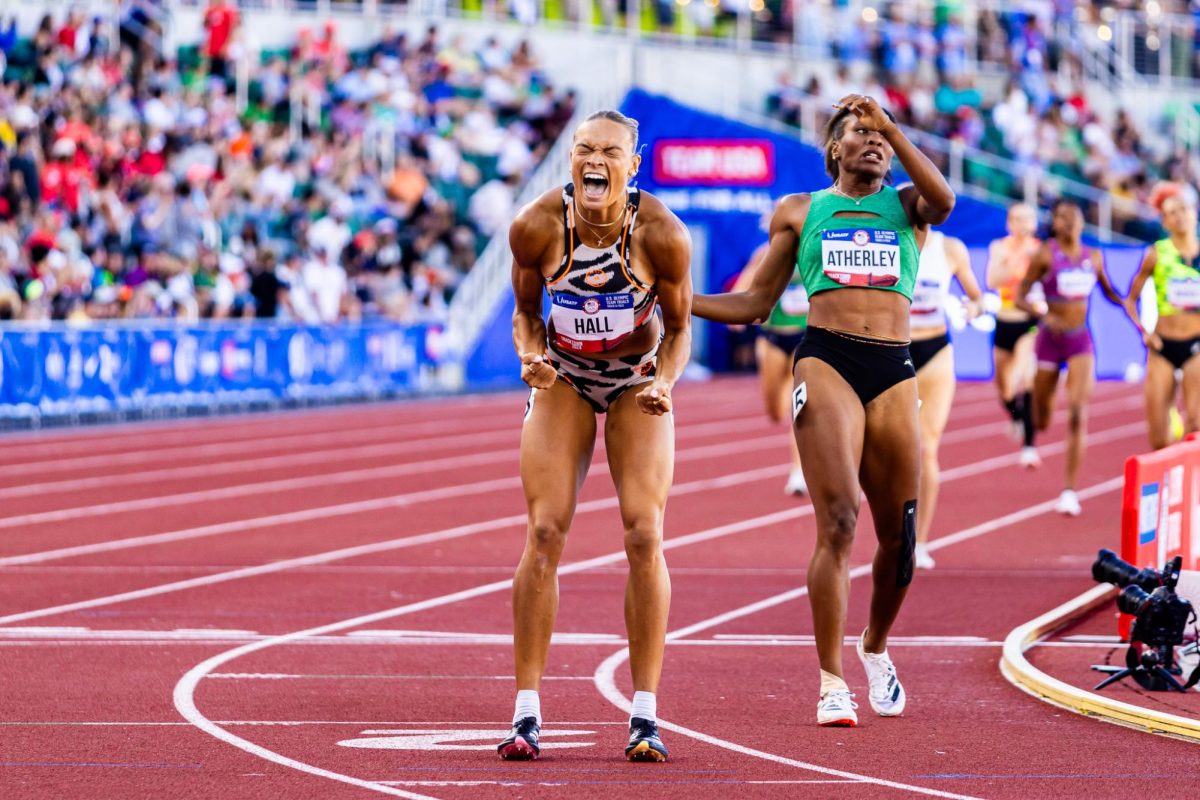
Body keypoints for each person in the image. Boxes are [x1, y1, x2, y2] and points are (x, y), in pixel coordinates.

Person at [693, 95, 955, 727]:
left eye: (884, 139)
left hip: (894, 366)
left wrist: (892, 123)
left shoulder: (908, 206)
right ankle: (831, 680)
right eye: (861, 135)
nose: (876, 144)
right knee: (839, 522)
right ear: (834, 149)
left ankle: (875, 646)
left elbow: (945, 201)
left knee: (900, 541)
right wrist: (676, 301)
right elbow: (756, 302)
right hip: (826, 358)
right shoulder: (800, 211)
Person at [499, 110, 692, 762]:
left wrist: (666, 379)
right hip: (567, 381)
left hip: (638, 379)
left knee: (643, 530)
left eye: (610, 151)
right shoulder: (536, 227)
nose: (595, 161)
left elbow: (683, 328)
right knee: (546, 531)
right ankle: (526, 712)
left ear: (632, 166)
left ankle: (644, 715)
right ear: (571, 160)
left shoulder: (661, 235)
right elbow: (526, 314)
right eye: (584, 150)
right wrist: (529, 354)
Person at [1015, 200, 1139, 516]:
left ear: (1082, 223)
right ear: (1054, 224)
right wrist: (1043, 316)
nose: (1067, 221)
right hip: (1048, 342)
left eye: (1073, 216)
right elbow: (1020, 296)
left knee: (1077, 413)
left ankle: (1069, 491)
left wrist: (1127, 305)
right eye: (1061, 217)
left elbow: (1109, 290)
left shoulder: (1093, 257)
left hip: (1080, 340)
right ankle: (1036, 416)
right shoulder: (1045, 254)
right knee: (1042, 416)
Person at [909, 229, 983, 569]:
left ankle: (918, 542)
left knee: (927, 448)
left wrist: (972, 307)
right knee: (886, 451)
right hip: (893, 351)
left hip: (936, 349)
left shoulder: (951, 247)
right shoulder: (888, 240)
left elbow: (977, 296)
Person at [732, 226, 809, 495]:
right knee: (775, 411)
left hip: (804, 337)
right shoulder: (766, 254)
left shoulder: (814, 254)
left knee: (796, 409)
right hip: (773, 338)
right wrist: (735, 312)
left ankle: (798, 472)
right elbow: (745, 284)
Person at [1125, 184, 1200, 449]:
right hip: (1162, 345)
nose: (1179, 216)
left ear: (1194, 213)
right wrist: (1144, 332)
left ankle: (1190, 487)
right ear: (1165, 221)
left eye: (1184, 209)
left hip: (1196, 345)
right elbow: (1130, 301)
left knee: (1196, 426)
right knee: (1158, 436)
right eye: (1172, 212)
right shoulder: (1156, 253)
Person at [986, 202, 1042, 467]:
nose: (1021, 224)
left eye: (1027, 219)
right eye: (1017, 219)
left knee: (1025, 376)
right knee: (1004, 389)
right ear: (1009, 223)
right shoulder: (999, 247)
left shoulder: (1039, 250)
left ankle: (1029, 447)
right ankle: (1016, 416)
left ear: (1034, 224)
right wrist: (1011, 263)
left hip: (1027, 322)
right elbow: (991, 281)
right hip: (1004, 320)